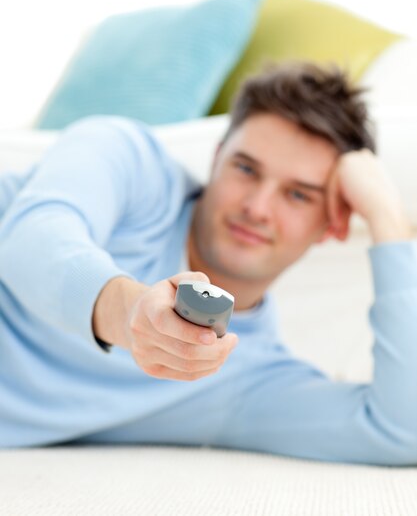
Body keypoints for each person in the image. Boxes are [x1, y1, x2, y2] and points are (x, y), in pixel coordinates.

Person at [0, 62, 416, 466]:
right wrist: (130, 313)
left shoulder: (248, 378)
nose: (257, 208)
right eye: (246, 169)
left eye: (298, 195)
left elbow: (402, 430)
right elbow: (33, 239)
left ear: (334, 223)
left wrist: (389, 223)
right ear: (216, 159)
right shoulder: (128, 160)